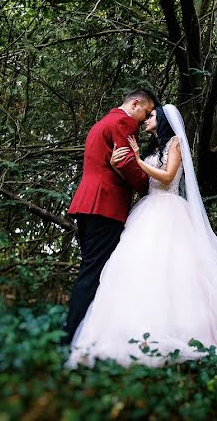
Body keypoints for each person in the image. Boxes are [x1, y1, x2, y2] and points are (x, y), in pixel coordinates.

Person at [65, 104, 217, 367]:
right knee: (138, 270)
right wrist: (121, 166)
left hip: (170, 210)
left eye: (151, 116)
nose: (146, 119)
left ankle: (188, 331)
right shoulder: (151, 149)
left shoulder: (175, 143)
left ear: (161, 119)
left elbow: (169, 175)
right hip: (147, 210)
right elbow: (144, 182)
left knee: (178, 272)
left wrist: (136, 160)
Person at [61, 88, 159, 346]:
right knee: (95, 272)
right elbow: (127, 162)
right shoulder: (124, 122)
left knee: (93, 269)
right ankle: (72, 336)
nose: (144, 119)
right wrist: (147, 186)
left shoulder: (102, 123)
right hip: (106, 205)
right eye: (146, 112)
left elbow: (109, 162)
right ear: (136, 104)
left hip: (87, 203)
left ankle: (83, 333)